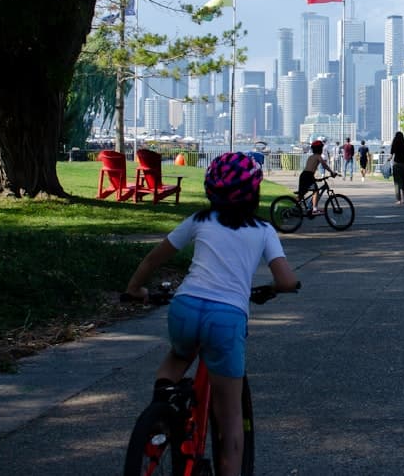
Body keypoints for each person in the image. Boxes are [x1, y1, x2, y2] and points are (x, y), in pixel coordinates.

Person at [125, 152, 299, 476]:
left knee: (177, 358)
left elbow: (153, 259)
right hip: (226, 319)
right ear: (254, 193)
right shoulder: (262, 230)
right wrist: (276, 288)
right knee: (231, 417)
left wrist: (135, 289)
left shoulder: (199, 221)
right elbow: (286, 280)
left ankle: (163, 415)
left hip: (185, 307)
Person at [300, 140, 337, 214]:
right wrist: (332, 172)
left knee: (301, 195)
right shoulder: (318, 156)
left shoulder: (311, 156)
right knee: (316, 191)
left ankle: (291, 207)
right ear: (319, 149)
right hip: (308, 175)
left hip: (304, 175)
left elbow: (309, 169)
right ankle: (314, 209)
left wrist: (315, 179)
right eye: (321, 148)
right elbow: (324, 165)